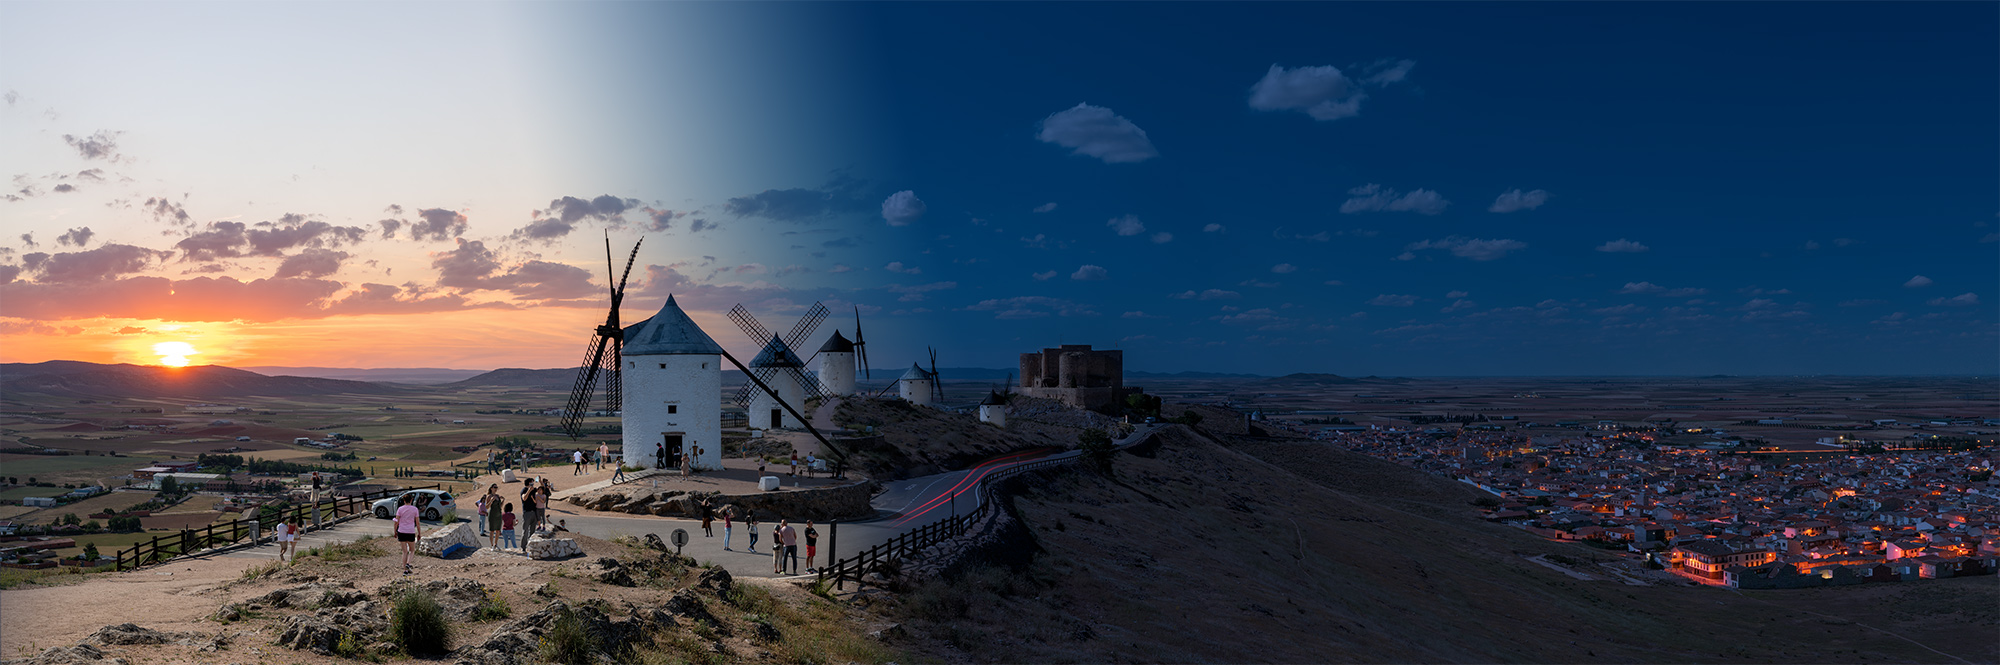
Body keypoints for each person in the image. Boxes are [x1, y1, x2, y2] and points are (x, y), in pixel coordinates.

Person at [394, 493, 422, 575]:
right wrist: (419, 533)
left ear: (403, 500)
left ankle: (405, 570)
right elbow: (417, 523)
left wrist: (395, 531)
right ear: (411, 500)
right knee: (412, 550)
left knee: (404, 552)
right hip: (410, 531)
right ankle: (408, 564)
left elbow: (396, 521)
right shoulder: (415, 509)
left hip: (401, 531)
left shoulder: (400, 509)